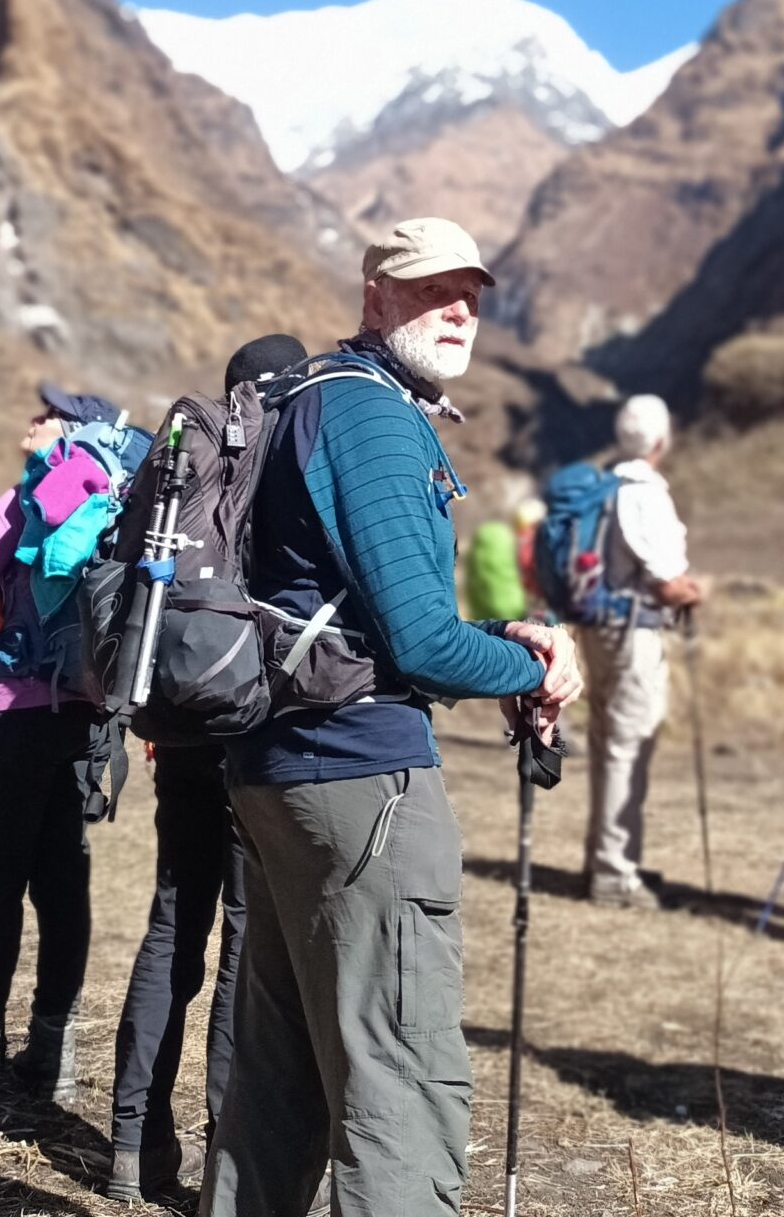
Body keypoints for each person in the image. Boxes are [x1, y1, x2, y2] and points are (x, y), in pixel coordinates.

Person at [202, 217, 583, 1217]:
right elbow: (416, 645)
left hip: (275, 769)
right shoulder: (371, 416)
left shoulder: (308, 400)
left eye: (471, 292)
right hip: (361, 783)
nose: (459, 308)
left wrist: (498, 633)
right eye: (430, 289)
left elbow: (363, 611)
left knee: (279, 1078)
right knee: (399, 1083)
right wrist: (526, 671)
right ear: (375, 294)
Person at [105, 334, 305, 1205]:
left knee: (169, 927)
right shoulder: (277, 447)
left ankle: (129, 1145)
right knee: (242, 943)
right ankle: (227, 1147)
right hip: (246, 719)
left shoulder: (185, 449)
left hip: (174, 717)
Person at [0, 380, 135, 1103]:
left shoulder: (30, 499)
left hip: (12, 711)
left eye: (48, 414)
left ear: (73, 431)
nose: (33, 420)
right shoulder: (120, 500)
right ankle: (55, 1055)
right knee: (63, 886)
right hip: (85, 717)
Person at [578, 394, 706, 909]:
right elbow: (668, 583)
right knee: (627, 747)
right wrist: (696, 592)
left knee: (608, 741)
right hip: (633, 633)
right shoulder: (645, 494)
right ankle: (614, 873)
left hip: (597, 627)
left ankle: (603, 858)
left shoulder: (602, 487)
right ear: (660, 440)